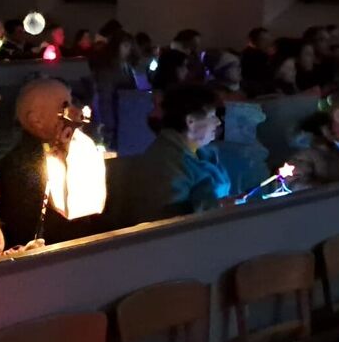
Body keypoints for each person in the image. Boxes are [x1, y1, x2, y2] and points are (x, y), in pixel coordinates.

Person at [0, 79, 103, 248]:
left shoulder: (75, 152)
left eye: (72, 103)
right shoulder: (23, 169)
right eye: (64, 107)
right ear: (36, 120)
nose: (74, 112)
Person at [129, 84, 229, 223]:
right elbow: (171, 220)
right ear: (191, 122)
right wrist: (218, 206)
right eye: (212, 116)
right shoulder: (166, 162)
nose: (218, 122)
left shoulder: (203, 153)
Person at [92, 31, 138, 146]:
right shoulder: (107, 70)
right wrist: (109, 126)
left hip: (126, 118)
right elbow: (105, 99)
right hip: (115, 119)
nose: (129, 50)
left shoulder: (127, 67)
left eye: (130, 46)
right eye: (125, 46)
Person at [241, 27, 273, 97]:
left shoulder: (262, 54)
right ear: (254, 40)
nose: (268, 42)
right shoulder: (254, 55)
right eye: (264, 40)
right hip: (257, 91)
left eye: (269, 39)